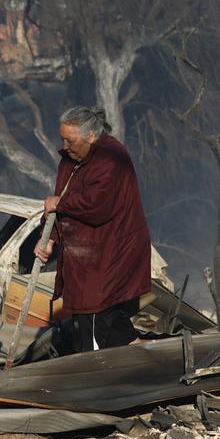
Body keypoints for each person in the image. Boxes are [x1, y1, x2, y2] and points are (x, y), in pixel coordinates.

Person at [34, 106, 151, 354]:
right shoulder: (72, 160)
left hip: (108, 255)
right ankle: (139, 359)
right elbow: (59, 201)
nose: (65, 146)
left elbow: (97, 205)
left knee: (93, 315)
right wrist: (50, 238)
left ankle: (94, 378)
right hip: (86, 259)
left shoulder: (111, 157)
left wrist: (59, 203)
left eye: (70, 140)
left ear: (90, 136)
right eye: (62, 139)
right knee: (112, 321)